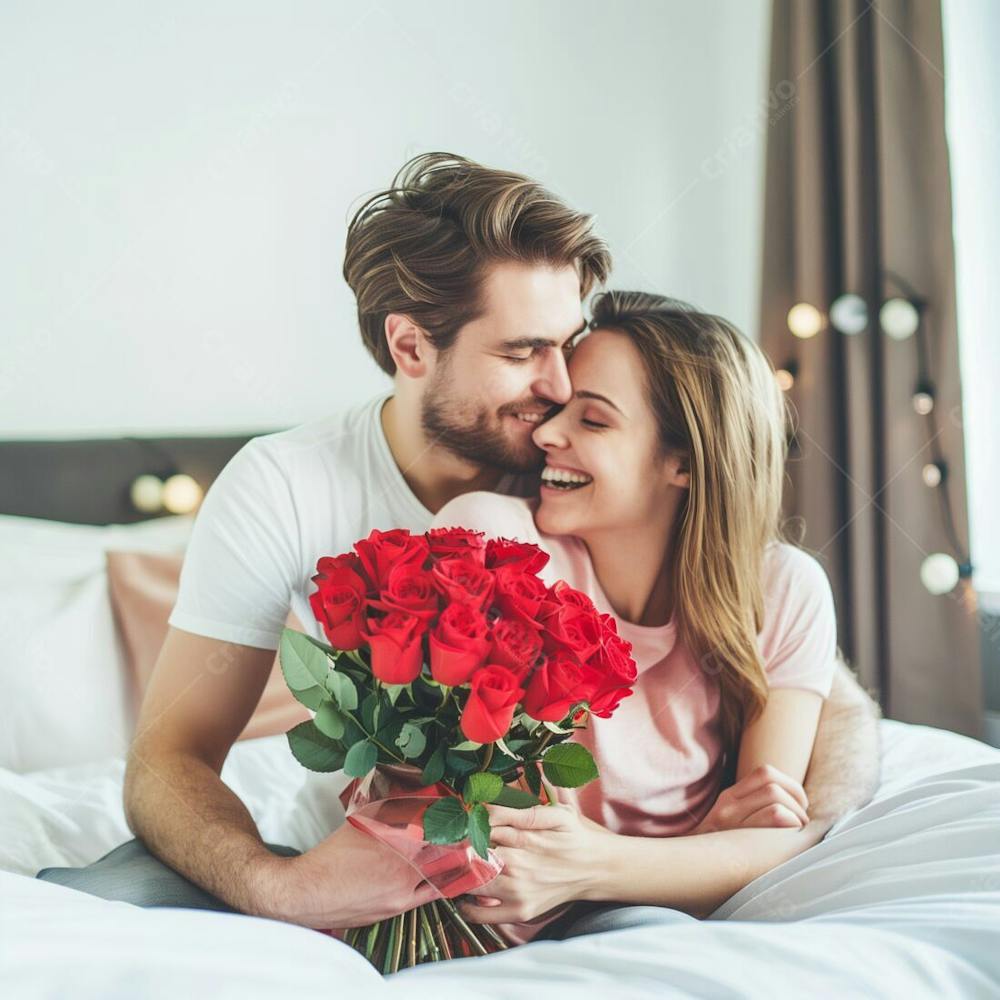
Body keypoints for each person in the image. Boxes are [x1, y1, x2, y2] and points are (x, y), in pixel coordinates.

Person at [36, 153, 881, 940]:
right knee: (92, 918)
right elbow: (170, 757)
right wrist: (278, 888)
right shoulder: (287, 487)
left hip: (533, 879)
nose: (557, 391)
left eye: (568, 346)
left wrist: (787, 823)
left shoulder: (574, 492)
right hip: (342, 853)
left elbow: (794, 669)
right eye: (524, 353)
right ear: (411, 346)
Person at [426, 290, 864, 946]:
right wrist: (701, 850)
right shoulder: (492, 542)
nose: (546, 435)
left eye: (593, 421)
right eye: (556, 411)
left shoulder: (783, 589)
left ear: (682, 463)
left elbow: (782, 836)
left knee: (654, 935)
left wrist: (599, 866)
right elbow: (508, 843)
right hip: (488, 921)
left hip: (646, 917)